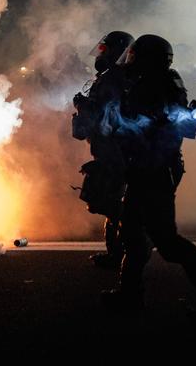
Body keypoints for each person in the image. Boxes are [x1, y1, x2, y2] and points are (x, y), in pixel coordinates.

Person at [101, 34, 196, 310]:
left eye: (134, 56)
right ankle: (130, 293)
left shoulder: (153, 88)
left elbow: (148, 128)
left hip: (153, 169)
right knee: (131, 232)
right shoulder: (160, 83)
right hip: (147, 167)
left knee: (167, 241)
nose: (129, 61)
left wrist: (118, 128)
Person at [72, 31, 133, 268]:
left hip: (114, 150)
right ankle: (117, 252)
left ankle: (122, 253)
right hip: (109, 149)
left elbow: (106, 116)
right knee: (112, 203)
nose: (101, 55)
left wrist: (83, 105)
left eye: (105, 51)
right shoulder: (115, 78)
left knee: (115, 204)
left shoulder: (115, 80)